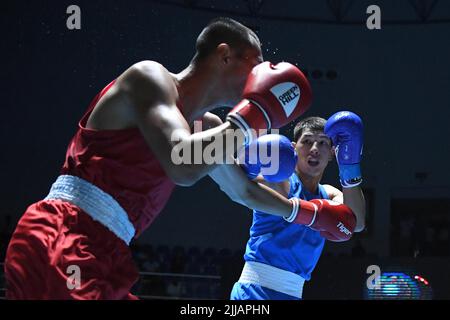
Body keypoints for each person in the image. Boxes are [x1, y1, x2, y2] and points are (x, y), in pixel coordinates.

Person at [4, 17, 313, 299]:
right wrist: (254, 115)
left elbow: (243, 190)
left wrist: (311, 215)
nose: (260, 75)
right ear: (224, 55)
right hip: (62, 235)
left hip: (108, 252)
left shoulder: (209, 129)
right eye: (255, 63)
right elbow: (183, 163)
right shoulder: (149, 78)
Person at [228, 113, 366, 300]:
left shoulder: (329, 194)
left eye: (323, 143)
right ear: (293, 148)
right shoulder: (279, 179)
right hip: (254, 290)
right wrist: (245, 161)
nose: (315, 149)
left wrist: (349, 166)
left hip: (293, 293)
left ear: (334, 153)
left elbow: (355, 223)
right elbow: (239, 185)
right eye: (307, 141)